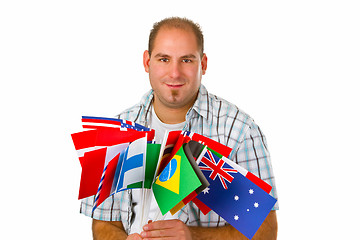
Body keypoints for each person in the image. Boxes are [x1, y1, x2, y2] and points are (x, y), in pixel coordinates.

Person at [80, 17, 279, 240]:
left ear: (203, 63)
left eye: (186, 60)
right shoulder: (117, 132)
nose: (174, 73)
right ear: (147, 62)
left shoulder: (237, 132)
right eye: (164, 59)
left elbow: (265, 232)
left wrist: (194, 236)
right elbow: (103, 225)